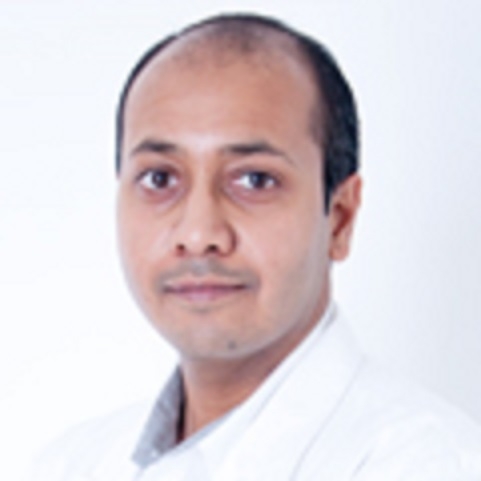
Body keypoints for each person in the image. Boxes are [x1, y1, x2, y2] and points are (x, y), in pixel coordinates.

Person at [32, 13, 481, 481]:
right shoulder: (69, 465)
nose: (198, 233)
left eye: (255, 180)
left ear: (340, 218)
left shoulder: (433, 466)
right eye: (160, 179)